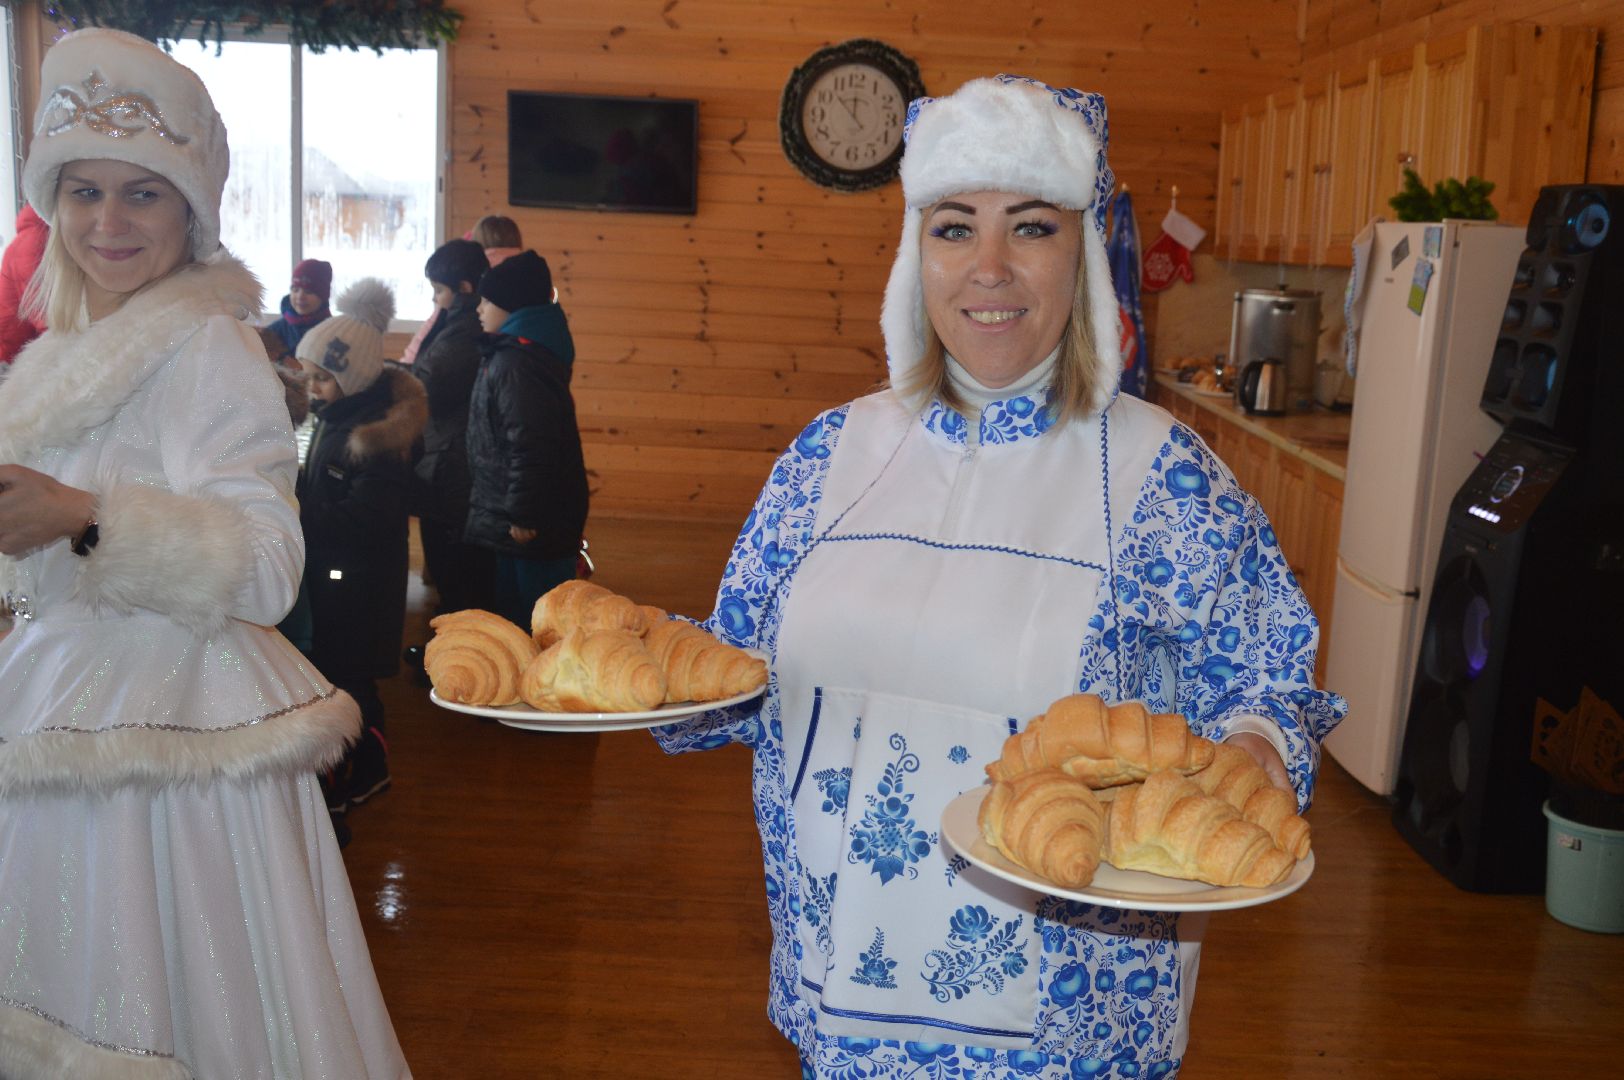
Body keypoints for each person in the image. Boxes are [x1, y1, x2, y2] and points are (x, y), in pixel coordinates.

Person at [654, 75, 1346, 1079]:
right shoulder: (828, 457)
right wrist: (637, 668)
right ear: (911, 256)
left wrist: (1257, 748)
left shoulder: (1161, 476)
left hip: (1068, 1025)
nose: (988, 268)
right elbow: (733, 668)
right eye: (951, 228)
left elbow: (1267, 684)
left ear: (1083, 254)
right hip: (846, 986)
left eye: (1029, 227)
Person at [0, 28, 408, 1076]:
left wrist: (82, 515)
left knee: (169, 1006)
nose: (107, 220)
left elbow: (269, 565)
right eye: (83, 190)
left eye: (141, 192)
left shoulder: (209, 343)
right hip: (63, 707)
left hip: (168, 745)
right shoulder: (71, 351)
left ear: (191, 207)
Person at [295, 278, 425, 819]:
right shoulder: (330, 419)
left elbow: (367, 520)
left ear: (353, 378)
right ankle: (338, 767)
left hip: (358, 584)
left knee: (353, 680)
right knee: (332, 674)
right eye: (309, 374)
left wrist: (301, 514)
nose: (312, 386)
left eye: (323, 377)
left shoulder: (374, 440)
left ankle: (370, 767)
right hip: (333, 576)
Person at [464, 249, 587, 630]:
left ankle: (538, 687)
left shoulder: (517, 363)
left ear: (512, 306)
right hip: (523, 516)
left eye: (488, 301)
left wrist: (523, 513)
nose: (480, 309)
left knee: (537, 621)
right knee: (522, 615)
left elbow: (532, 443)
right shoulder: (517, 354)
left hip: (531, 523)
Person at [410, 238, 494, 615]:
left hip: (453, 461)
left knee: (454, 566)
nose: (435, 300)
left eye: (439, 291)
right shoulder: (459, 322)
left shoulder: (465, 329)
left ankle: (461, 654)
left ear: (464, 289)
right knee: (452, 564)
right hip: (450, 455)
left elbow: (429, 384)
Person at [0, 203, 48, 364]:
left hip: (15, 350)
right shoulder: (35, 240)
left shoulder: (36, 235)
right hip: (9, 356)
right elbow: (49, 321)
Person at [266, 256, 333, 355]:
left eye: (308, 291)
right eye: (295, 290)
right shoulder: (275, 331)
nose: (300, 296)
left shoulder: (331, 331)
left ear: (323, 296)